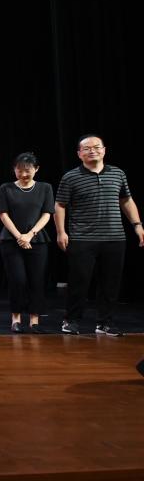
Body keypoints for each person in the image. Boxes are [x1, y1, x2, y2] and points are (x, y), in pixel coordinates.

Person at [55, 135, 144, 336]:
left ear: (104, 150)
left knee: (110, 283)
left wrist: (137, 225)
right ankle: (71, 321)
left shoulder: (117, 173)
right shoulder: (70, 177)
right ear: (79, 154)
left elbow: (126, 200)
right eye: (87, 148)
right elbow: (60, 205)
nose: (92, 151)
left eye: (96, 147)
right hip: (82, 238)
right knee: (79, 282)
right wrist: (61, 232)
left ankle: (105, 323)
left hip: (114, 237)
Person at [0, 152, 54, 334]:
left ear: (36, 169)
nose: (23, 174)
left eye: (27, 170)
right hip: (10, 240)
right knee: (18, 280)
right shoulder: (6, 188)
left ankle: (34, 320)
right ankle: (16, 319)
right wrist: (19, 237)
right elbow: (3, 214)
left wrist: (29, 235)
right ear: (14, 170)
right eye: (19, 170)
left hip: (37, 240)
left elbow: (47, 214)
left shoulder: (45, 188)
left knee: (36, 280)